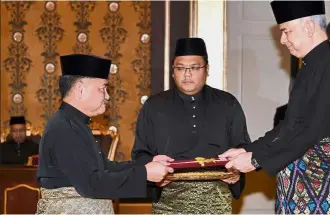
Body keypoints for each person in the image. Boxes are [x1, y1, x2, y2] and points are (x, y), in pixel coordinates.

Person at [220, 1, 330, 214]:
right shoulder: (312, 66)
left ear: (308, 27)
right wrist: (248, 150)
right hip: (306, 191)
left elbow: (309, 132)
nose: (282, 40)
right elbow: (290, 126)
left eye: (286, 31)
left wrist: (255, 160)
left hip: (326, 193)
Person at [36, 54, 173, 214]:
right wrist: (145, 174)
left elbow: (105, 167)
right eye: (102, 88)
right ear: (80, 90)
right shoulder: (63, 128)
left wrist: (148, 164)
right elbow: (92, 184)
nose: (107, 96)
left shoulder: (74, 123)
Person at [131, 37, 251, 214]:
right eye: (180, 68)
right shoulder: (154, 106)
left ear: (207, 69)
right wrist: (153, 174)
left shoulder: (227, 104)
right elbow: (140, 152)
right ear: (173, 71)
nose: (187, 74)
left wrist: (236, 173)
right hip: (169, 201)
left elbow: (242, 147)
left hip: (216, 200)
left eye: (194, 68)